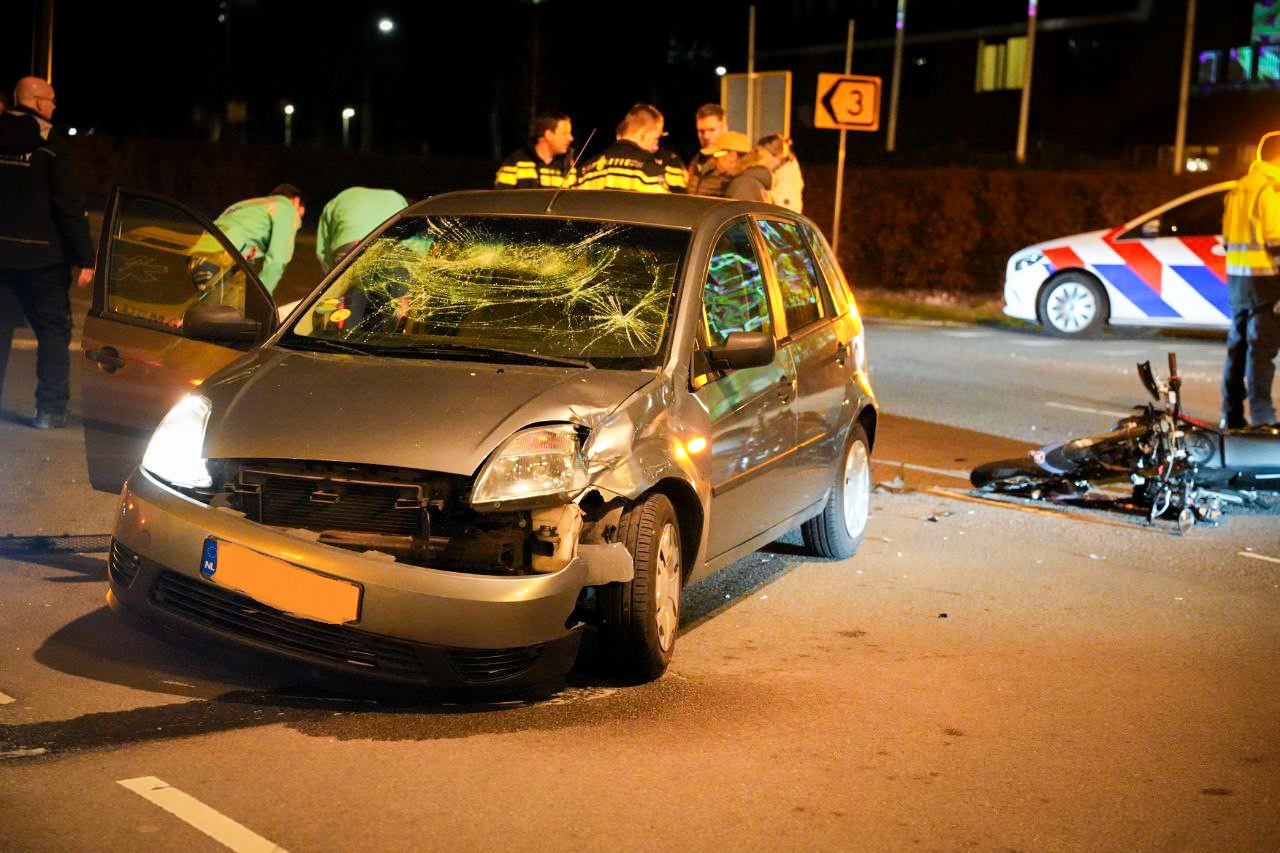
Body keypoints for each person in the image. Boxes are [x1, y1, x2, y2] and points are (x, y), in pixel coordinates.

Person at [0, 76, 94, 429]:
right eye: (51, 100)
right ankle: (50, 410)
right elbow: (68, 205)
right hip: (44, 261)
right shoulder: (52, 144)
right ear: (38, 102)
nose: (54, 107)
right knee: (53, 332)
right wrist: (85, 257)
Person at [1221, 131, 1280, 428]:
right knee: (1261, 353)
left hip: (1238, 283)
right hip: (1266, 285)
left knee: (1237, 350)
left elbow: (1227, 241)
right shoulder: (1272, 189)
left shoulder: (1238, 189)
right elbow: (1277, 242)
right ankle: (1262, 421)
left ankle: (1230, 415)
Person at [198, 184, 305, 295]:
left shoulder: (249, 204)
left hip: (198, 255)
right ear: (296, 201)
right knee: (233, 303)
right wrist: (262, 296)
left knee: (217, 301)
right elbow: (277, 259)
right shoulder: (286, 208)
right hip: (222, 259)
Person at [574, 104, 669, 193]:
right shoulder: (649, 170)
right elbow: (663, 203)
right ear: (643, 132)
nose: (656, 147)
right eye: (655, 138)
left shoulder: (587, 170)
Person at [315, 187, 408, 272]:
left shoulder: (343, 197)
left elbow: (325, 253)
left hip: (346, 246)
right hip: (393, 247)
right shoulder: (397, 198)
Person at [494, 113, 576, 189]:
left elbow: (576, 197)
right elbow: (501, 198)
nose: (571, 138)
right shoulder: (515, 164)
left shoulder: (568, 165)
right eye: (565, 133)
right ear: (549, 135)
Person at [701, 131, 773, 203]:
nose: (713, 160)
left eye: (716, 155)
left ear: (732, 156)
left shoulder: (742, 185)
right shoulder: (749, 180)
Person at [687, 103, 728, 196]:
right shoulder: (696, 161)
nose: (706, 136)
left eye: (712, 130)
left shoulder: (734, 163)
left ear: (724, 128)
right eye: (701, 131)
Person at [759, 134, 804, 214]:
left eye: (763, 156)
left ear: (776, 155)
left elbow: (784, 215)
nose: (760, 161)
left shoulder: (786, 181)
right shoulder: (783, 173)